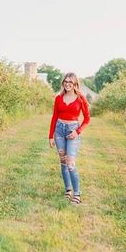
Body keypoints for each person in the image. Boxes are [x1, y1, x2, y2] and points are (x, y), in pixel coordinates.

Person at [49, 72, 90, 205]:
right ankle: (68, 190)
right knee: (63, 162)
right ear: (63, 83)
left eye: (70, 82)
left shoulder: (81, 99)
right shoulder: (58, 98)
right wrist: (51, 136)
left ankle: (77, 194)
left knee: (70, 163)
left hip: (72, 131)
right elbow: (54, 117)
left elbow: (87, 119)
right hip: (59, 131)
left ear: (75, 84)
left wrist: (77, 132)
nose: (67, 84)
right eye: (65, 82)